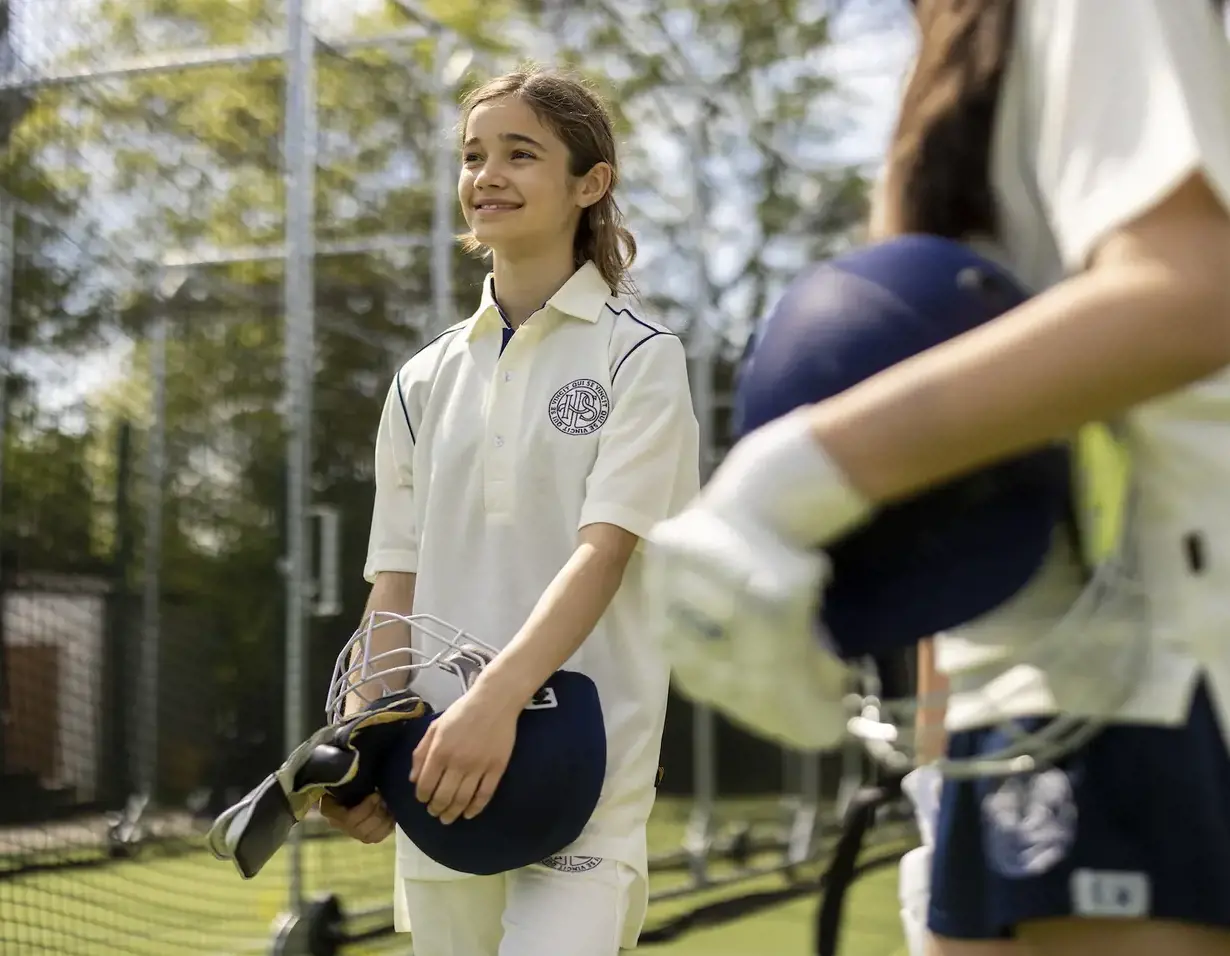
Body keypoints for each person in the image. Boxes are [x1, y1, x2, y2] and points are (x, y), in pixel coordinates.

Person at [645, 2, 1230, 956]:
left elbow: (1189, 292)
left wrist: (787, 484)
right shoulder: (952, 41)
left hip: (1146, 672)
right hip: (1015, 681)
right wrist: (933, 765)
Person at [319, 65, 700, 955]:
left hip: (584, 772)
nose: (486, 175)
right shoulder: (420, 379)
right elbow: (395, 587)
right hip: (438, 766)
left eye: (520, 153)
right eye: (473, 155)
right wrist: (363, 742)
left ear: (589, 183)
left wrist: (496, 703)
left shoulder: (640, 358)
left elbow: (602, 553)